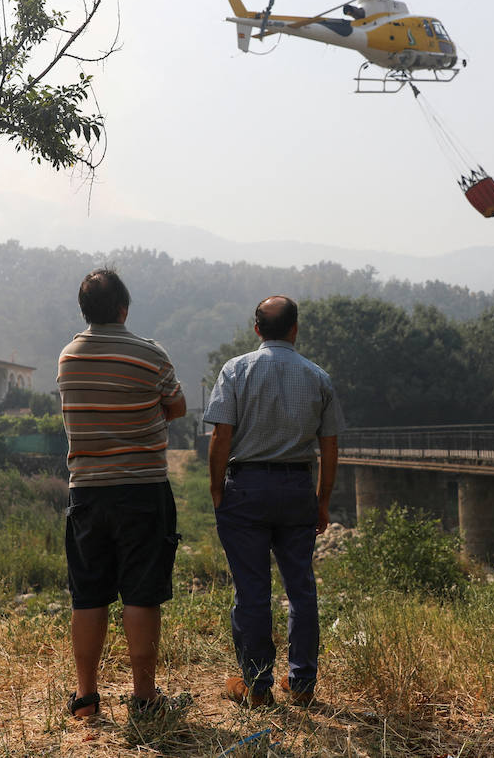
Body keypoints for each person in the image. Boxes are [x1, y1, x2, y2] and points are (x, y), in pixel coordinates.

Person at [58, 269, 187, 720]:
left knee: (88, 595)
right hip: (143, 489)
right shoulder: (150, 354)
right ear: (124, 309)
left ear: (84, 311)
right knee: (141, 593)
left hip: (87, 493)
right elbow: (177, 406)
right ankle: (144, 697)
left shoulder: (68, 356)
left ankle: (86, 698)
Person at [204, 295, 344, 708]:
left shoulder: (236, 370)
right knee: (300, 589)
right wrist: (322, 500)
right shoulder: (318, 377)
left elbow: (220, 436)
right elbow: (331, 446)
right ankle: (301, 684)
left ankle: (258, 685)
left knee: (251, 592)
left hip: (245, 489)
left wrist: (216, 489)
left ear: (257, 330)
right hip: (297, 488)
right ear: (295, 329)